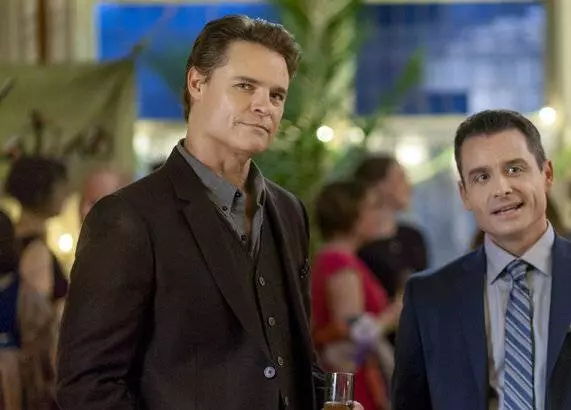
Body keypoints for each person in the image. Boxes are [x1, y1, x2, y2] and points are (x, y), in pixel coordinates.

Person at [56, 15, 363, 410]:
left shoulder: (289, 212)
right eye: (245, 86)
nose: (263, 106)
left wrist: (326, 401)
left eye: (276, 95)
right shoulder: (127, 217)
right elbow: (87, 387)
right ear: (197, 83)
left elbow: (289, 364)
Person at [392, 109, 571, 410]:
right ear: (465, 194)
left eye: (514, 169)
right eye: (482, 177)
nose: (501, 189)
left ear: (547, 174)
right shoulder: (428, 298)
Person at [311, 180, 401, 410]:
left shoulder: (338, 259)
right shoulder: (339, 262)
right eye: (371, 207)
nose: (377, 214)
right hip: (353, 386)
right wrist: (395, 312)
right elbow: (353, 334)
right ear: (351, 214)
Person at [4, 156, 69, 409]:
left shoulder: (15, 240)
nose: (67, 194)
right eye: (61, 186)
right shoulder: (35, 250)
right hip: (31, 375)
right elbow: (36, 320)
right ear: (43, 191)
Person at [353, 155, 428, 302]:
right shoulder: (358, 241)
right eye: (400, 178)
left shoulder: (412, 236)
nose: (409, 186)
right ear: (377, 186)